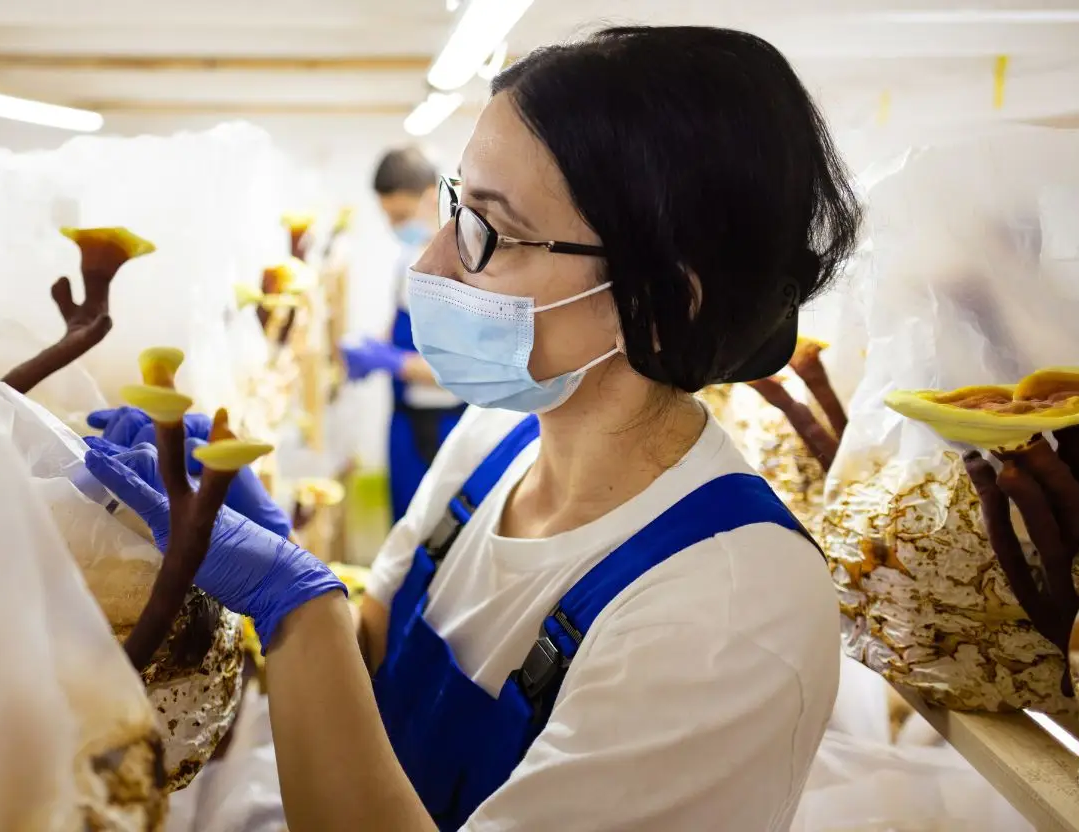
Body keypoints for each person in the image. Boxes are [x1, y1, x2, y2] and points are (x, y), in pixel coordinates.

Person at [88, 25, 860, 831]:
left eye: (488, 232)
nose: (430, 268)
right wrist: (285, 564)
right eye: (457, 207)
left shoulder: (731, 613)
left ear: (667, 301)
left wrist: (297, 604)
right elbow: (374, 657)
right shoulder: (497, 438)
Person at [342, 146, 466, 523]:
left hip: (440, 426)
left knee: (433, 532)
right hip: (405, 421)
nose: (396, 226)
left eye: (401, 216)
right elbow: (402, 324)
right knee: (404, 524)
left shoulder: (461, 267)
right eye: (389, 217)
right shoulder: (412, 254)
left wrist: (392, 362)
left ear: (432, 196)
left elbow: (461, 370)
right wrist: (376, 347)